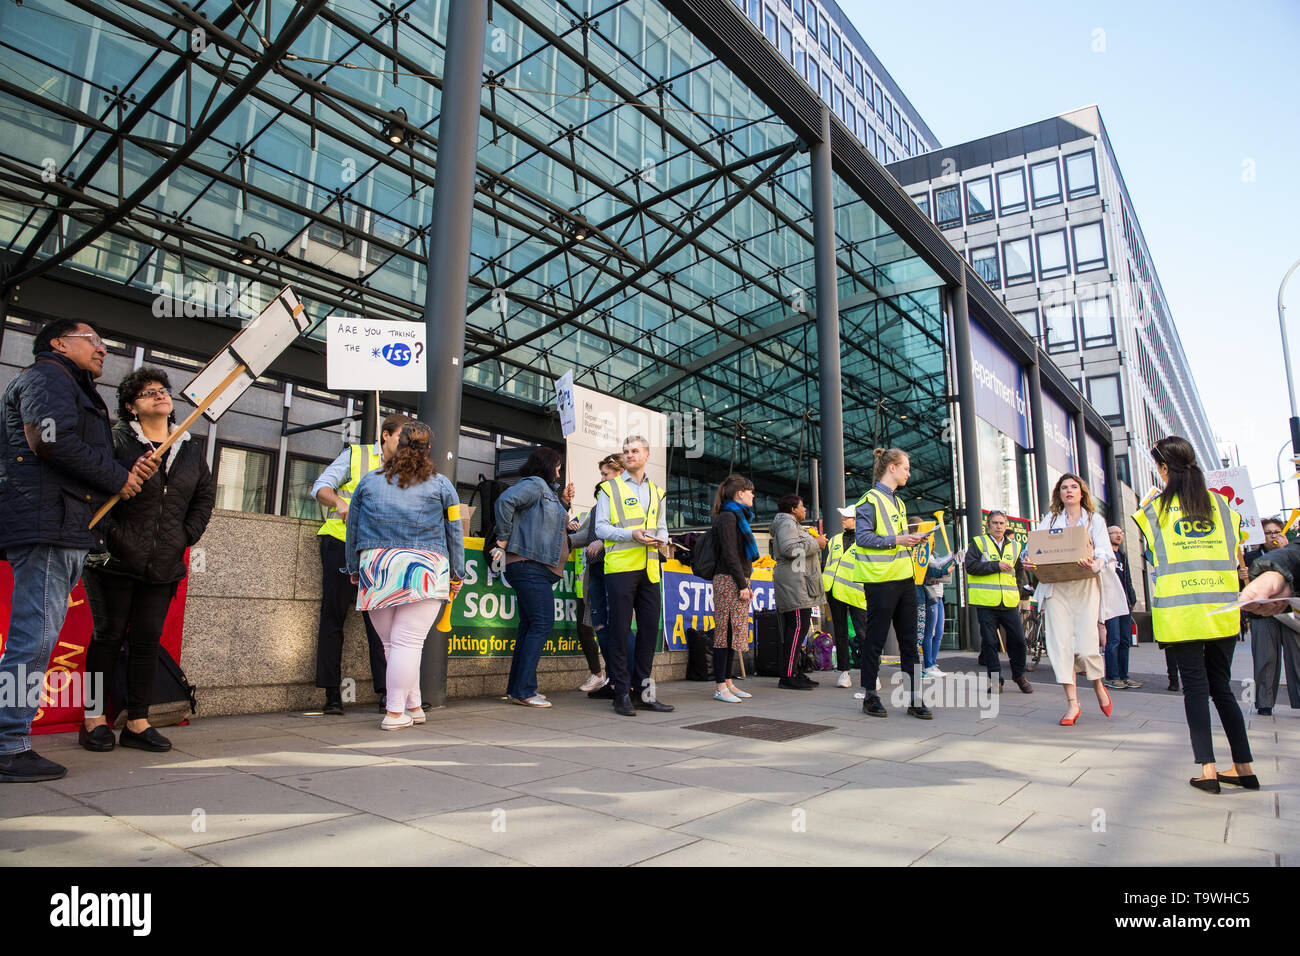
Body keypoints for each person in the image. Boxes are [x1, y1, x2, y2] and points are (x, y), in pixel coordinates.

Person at [0, 320, 156, 783]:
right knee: (35, 636)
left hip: (62, 524)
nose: (103, 350)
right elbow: (49, 440)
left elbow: (77, 452)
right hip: (47, 524)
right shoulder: (48, 377)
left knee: (38, 634)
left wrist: (128, 469)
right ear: (59, 342)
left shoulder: (72, 386)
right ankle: (9, 743)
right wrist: (115, 477)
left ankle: (11, 739)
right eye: (94, 341)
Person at [80, 368, 215, 753]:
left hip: (164, 563)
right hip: (114, 561)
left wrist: (185, 537)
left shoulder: (188, 446)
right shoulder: (117, 441)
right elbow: (98, 493)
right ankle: (93, 719)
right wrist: (115, 538)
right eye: (148, 393)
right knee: (106, 638)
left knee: (146, 642)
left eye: (163, 391)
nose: (160, 396)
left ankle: (137, 721)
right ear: (130, 407)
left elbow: (203, 498)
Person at [1134, 436, 1257, 793]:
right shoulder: (1222, 507)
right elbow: (1234, 557)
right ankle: (1244, 766)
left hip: (1183, 614)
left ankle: (1207, 770)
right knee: (1222, 688)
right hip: (1221, 612)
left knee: (1195, 690)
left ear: (1161, 469)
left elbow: (1155, 559)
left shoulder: (1153, 511)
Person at [345, 422, 464, 730]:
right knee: (408, 644)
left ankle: (414, 705)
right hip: (424, 568)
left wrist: (354, 569)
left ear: (397, 447)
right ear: (428, 450)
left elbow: (352, 531)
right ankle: (395, 713)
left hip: (377, 567)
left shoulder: (367, 483)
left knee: (393, 646)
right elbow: (455, 532)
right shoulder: (442, 486)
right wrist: (457, 573)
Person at [311, 412, 412, 714]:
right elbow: (320, 487)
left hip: (380, 552)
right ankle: (331, 694)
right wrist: (340, 503)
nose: (407, 443)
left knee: (382, 624)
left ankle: (387, 692)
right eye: (402, 437)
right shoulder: (357, 455)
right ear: (386, 435)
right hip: (342, 543)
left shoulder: (408, 470)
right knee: (334, 617)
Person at [1023, 474, 1113, 725]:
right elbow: (1033, 547)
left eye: (1073, 487)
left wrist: (1096, 562)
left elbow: (1104, 551)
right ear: (1059, 494)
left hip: (1084, 585)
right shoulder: (1051, 519)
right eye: (1064, 488)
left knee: (1085, 647)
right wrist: (1028, 560)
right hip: (1056, 587)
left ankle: (1097, 685)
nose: (1069, 491)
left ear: (1082, 492)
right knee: (1060, 646)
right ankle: (1072, 704)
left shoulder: (1094, 520)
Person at [594, 435, 673, 717]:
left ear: (647, 455)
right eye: (626, 451)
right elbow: (600, 529)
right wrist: (632, 534)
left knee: (649, 630)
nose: (629, 455)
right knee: (620, 630)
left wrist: (661, 539)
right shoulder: (609, 489)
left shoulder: (657, 491)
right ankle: (621, 694)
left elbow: (661, 527)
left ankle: (644, 694)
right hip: (620, 568)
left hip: (650, 568)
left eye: (635, 451)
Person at [852, 448, 932, 719]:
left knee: (910, 642)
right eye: (906, 467)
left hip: (904, 578)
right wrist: (899, 540)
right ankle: (870, 697)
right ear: (892, 468)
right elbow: (862, 538)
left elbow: (892, 537)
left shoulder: (898, 502)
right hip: (880, 581)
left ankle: (915, 698)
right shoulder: (869, 500)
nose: (909, 472)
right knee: (875, 639)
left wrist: (911, 538)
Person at [495, 446, 574, 708]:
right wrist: (503, 537)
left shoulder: (547, 493)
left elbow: (549, 527)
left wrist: (564, 504)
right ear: (548, 465)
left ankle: (517, 689)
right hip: (529, 566)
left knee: (529, 627)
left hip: (532, 567)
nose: (560, 472)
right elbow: (505, 501)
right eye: (558, 466)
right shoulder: (535, 484)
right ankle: (526, 691)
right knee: (541, 625)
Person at [567, 454, 625, 695]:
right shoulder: (597, 506)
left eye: (605, 474)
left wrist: (603, 541)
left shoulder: (628, 500)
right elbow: (583, 537)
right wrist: (561, 540)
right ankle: (611, 680)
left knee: (616, 628)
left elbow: (630, 530)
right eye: (601, 474)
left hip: (617, 572)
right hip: (597, 572)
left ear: (619, 473)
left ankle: (621, 680)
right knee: (600, 626)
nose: (601, 479)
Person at [963, 510, 1033, 693]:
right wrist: (995, 565)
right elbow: (970, 566)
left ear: (1006, 525)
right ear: (988, 525)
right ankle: (996, 680)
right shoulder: (979, 543)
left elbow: (1019, 573)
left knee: (1018, 640)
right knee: (990, 642)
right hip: (986, 602)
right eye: (994, 523)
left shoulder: (1015, 546)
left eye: (1001, 523)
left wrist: (1018, 593)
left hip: (1009, 602)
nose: (998, 526)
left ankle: (1019, 675)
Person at [1242, 517, 1299, 715]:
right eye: (1269, 533)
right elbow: (1245, 591)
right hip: (1263, 616)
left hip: (1290, 613)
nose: (1273, 536)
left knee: (1297, 658)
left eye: (1277, 532)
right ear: (1260, 536)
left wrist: (1286, 549)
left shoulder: (1293, 553)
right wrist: (1242, 578)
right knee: (1265, 658)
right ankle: (1265, 703)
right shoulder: (1249, 559)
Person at [710, 474, 757, 702]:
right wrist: (741, 583)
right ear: (739, 494)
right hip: (728, 580)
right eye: (750, 491)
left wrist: (745, 581)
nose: (753, 495)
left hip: (736, 579)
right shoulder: (729, 517)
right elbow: (730, 553)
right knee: (724, 634)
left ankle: (728, 681)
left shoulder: (738, 516)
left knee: (733, 634)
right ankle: (720, 685)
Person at [770, 494, 824, 690]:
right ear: (793, 509)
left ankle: (796, 671)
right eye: (802, 507)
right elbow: (789, 549)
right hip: (794, 584)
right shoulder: (787, 524)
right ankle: (787, 675)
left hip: (799, 583)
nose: (804, 510)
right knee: (796, 628)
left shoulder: (792, 524)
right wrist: (815, 543)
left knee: (798, 630)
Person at [823, 505, 868, 688]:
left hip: (857, 592)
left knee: (863, 633)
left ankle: (871, 672)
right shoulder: (834, 540)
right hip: (835, 592)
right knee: (840, 633)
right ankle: (844, 672)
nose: (842, 519)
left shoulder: (866, 540)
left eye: (847, 517)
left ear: (857, 519)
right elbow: (829, 564)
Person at [1102, 525, 1141, 691]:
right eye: (1114, 533)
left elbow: (1128, 579)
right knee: (1114, 640)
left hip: (1125, 604)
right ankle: (1112, 677)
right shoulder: (1104, 555)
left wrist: (1132, 598)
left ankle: (1124, 676)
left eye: (1120, 533)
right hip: (1110, 603)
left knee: (1125, 641)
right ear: (1107, 535)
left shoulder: (1122, 556)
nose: (1118, 535)